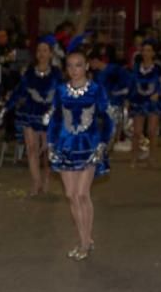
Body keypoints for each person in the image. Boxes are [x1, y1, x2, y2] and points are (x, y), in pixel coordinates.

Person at [47, 50, 113, 260]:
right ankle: (83, 238)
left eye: (78, 65)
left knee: (83, 194)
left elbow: (107, 119)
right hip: (65, 145)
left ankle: (85, 242)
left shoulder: (96, 90)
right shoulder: (60, 91)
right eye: (70, 65)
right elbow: (56, 119)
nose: (74, 70)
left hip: (89, 145)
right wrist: (50, 143)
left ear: (86, 67)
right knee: (71, 195)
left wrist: (104, 142)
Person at [2, 37, 59, 195]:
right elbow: (19, 91)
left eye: (45, 50)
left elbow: (61, 93)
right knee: (32, 148)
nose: (41, 54)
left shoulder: (56, 73)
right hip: (30, 112)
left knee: (47, 151)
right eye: (39, 50)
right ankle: (36, 181)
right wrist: (6, 107)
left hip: (49, 115)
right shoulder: (29, 72)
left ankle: (46, 177)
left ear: (51, 53)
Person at [128, 40, 161, 168]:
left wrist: (159, 94)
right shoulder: (136, 68)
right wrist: (129, 99)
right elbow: (132, 84)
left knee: (151, 131)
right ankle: (134, 156)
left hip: (153, 102)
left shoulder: (157, 69)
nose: (146, 53)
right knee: (137, 132)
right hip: (139, 101)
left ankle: (152, 157)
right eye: (144, 50)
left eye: (149, 50)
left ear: (153, 53)